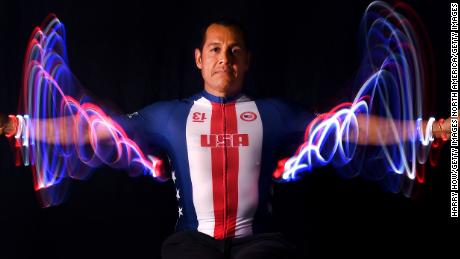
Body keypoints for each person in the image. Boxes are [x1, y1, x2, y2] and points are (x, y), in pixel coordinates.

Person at [0, 17, 451, 259]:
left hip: (261, 243)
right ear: (199, 58)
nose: (224, 58)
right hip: (189, 244)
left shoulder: (273, 113)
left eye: (234, 50)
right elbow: (86, 128)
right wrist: (23, 125)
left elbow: (350, 126)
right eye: (215, 49)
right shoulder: (170, 116)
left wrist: (425, 129)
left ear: (247, 60)